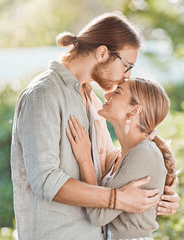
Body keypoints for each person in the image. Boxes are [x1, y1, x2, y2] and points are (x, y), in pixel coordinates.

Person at [10, 13, 180, 240]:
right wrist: (117, 198)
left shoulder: (92, 100)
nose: (126, 77)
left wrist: (158, 194)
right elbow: (46, 179)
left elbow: (109, 161)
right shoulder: (44, 94)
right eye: (127, 66)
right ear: (102, 53)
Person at [67, 77, 177, 240]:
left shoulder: (144, 153)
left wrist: (84, 159)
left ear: (134, 110)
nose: (107, 95)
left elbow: (98, 215)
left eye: (117, 92)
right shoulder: (121, 154)